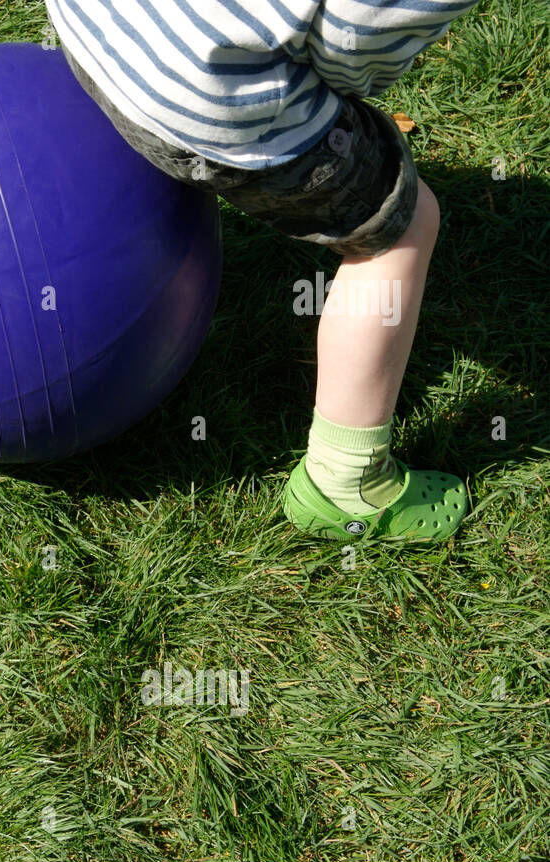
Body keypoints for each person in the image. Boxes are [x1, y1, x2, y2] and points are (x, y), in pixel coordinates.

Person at [46, 0, 479, 541]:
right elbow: (356, 45)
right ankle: (346, 484)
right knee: (402, 227)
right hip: (203, 94)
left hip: (97, 29)